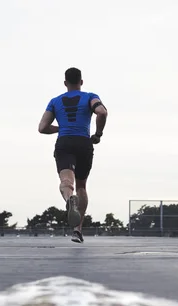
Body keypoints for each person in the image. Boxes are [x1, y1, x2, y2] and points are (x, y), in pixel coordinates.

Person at [37, 67, 108, 243]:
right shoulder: (90, 96)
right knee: (82, 186)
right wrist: (98, 134)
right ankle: (77, 230)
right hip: (84, 143)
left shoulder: (55, 101)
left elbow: (42, 128)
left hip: (65, 143)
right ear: (81, 82)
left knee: (66, 183)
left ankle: (70, 199)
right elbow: (102, 112)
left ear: (65, 83)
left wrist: (62, 128)